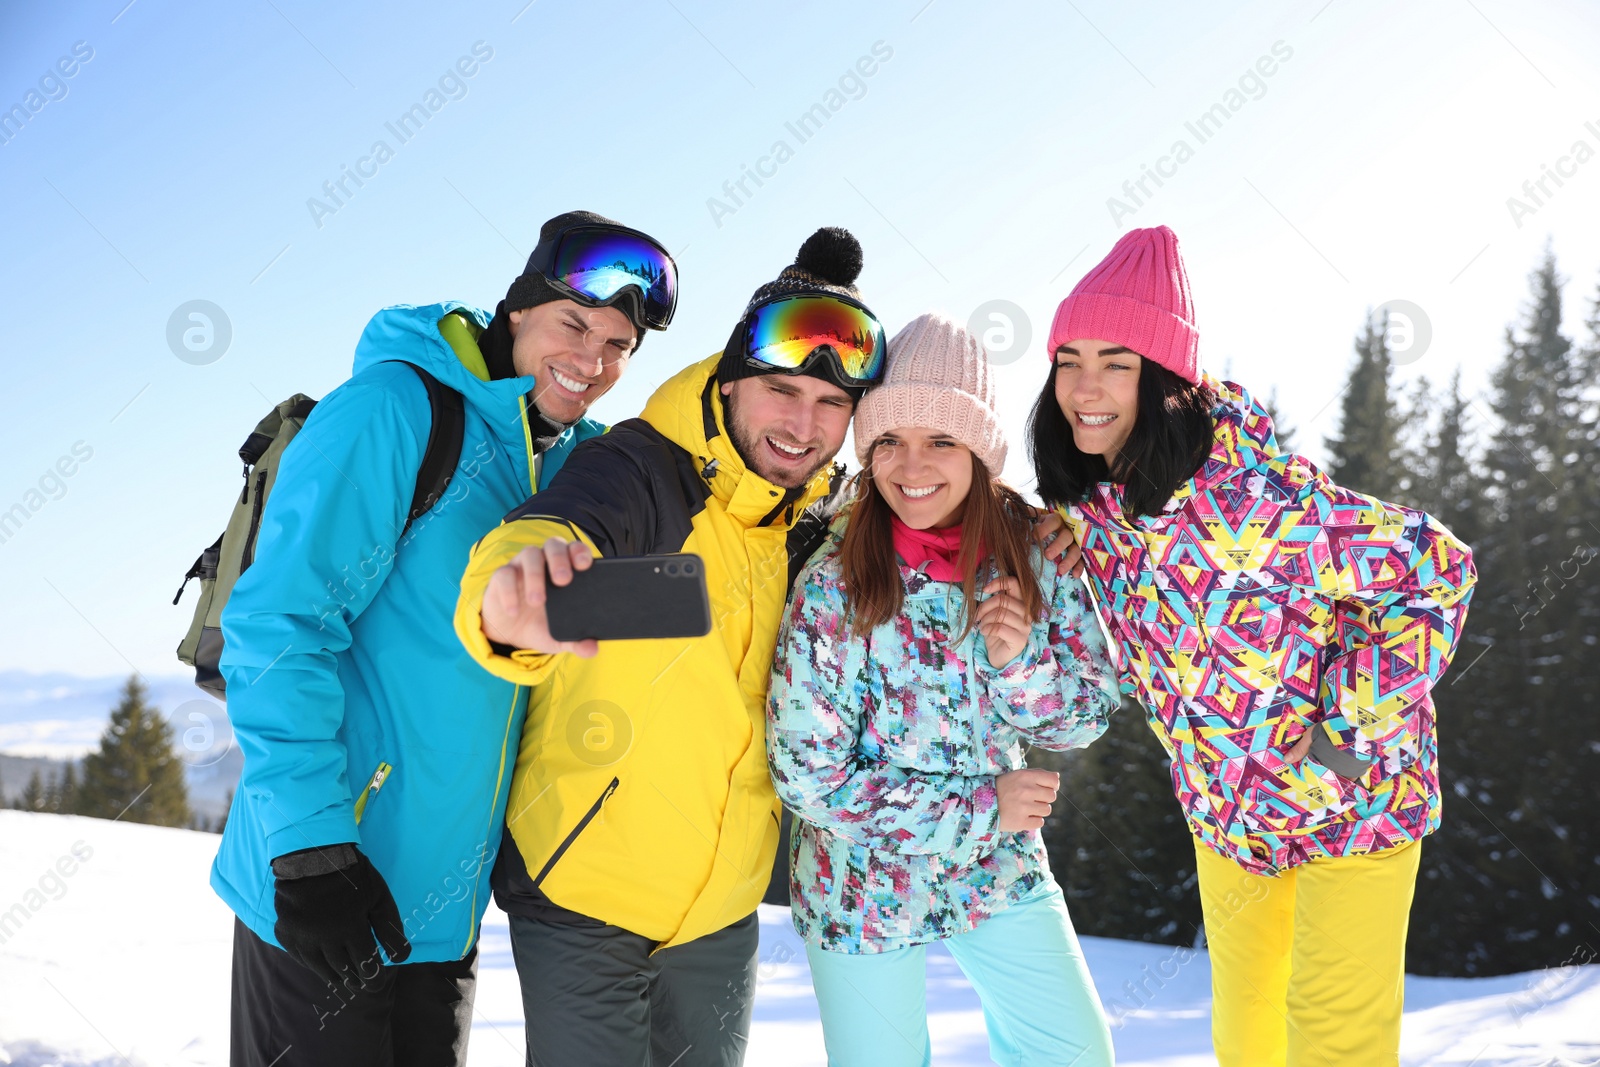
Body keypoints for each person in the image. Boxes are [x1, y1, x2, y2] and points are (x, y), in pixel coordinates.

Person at [211, 210, 677, 1067]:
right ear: (518, 310)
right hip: (322, 880)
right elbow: (277, 627)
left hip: (438, 919)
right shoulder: (397, 409)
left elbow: (668, 609)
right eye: (573, 325)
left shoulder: (579, 465)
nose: (593, 362)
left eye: (618, 345)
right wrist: (309, 847)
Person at [1028, 225, 1477, 1066]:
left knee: (1329, 1041)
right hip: (1230, 822)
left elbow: (1439, 569)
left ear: (1165, 379)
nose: (1085, 386)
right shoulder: (1099, 509)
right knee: (1249, 1041)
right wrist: (1055, 523)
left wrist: (1344, 728)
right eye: (1069, 359)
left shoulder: (1262, 503)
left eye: (1117, 362)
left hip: (1355, 803)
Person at [453, 227, 884, 1066]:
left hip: (721, 915)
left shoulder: (818, 521)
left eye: (831, 405)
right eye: (781, 389)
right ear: (728, 382)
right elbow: (541, 534)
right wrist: (514, 598)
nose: (803, 424)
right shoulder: (643, 468)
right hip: (586, 889)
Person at [767, 313, 1119, 1067]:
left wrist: (1022, 660)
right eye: (889, 440)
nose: (911, 465)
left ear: (980, 452)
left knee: (1076, 1054)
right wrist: (980, 806)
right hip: (858, 887)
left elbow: (1087, 711)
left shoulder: (1032, 552)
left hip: (998, 876)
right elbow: (807, 774)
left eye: (941, 441)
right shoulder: (834, 579)